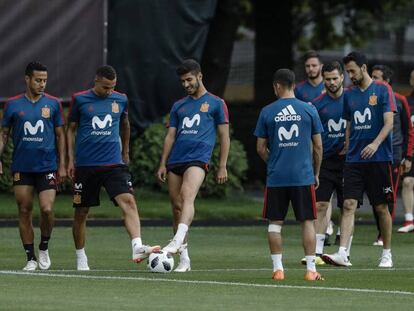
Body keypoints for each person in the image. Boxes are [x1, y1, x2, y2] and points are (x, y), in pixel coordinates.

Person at [67, 65, 159, 270]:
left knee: (129, 202)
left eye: (112, 87)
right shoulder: (80, 99)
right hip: (86, 165)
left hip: (114, 163)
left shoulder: (121, 99)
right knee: (81, 212)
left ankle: (136, 246)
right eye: (106, 87)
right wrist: (69, 159)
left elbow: (125, 124)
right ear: (96, 81)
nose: (109, 91)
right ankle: (81, 257)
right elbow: (70, 130)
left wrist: (125, 152)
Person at [322, 52, 395, 268]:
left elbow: (389, 122)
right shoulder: (349, 95)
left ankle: (387, 253)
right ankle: (343, 253)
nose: (350, 76)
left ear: (363, 68)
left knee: (381, 207)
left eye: (352, 71)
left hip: (379, 158)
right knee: (348, 204)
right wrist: (347, 145)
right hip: (354, 160)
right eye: (348, 72)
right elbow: (349, 123)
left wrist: (375, 144)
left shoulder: (383, 90)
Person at [157, 59, 230, 272]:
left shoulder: (217, 103)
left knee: (186, 197)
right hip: (176, 160)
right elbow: (170, 136)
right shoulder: (178, 105)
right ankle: (184, 260)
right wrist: (163, 163)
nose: (186, 84)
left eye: (189, 79)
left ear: (200, 76)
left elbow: (224, 137)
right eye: (182, 81)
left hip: (198, 158)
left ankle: (176, 241)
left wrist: (222, 165)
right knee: (176, 208)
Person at [254, 68, 324, 281]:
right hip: (303, 176)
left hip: (277, 177)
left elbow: (260, 147)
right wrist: (316, 172)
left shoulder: (267, 111)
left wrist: (273, 162)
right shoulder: (309, 109)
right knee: (307, 222)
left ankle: (278, 270)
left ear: (277, 86)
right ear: (294, 84)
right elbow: (319, 146)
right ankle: (311, 270)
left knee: (275, 224)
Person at [0, 61, 66, 271]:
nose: (42, 84)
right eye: (38, 80)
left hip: (47, 165)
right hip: (22, 166)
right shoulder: (12, 104)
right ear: (27, 79)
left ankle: (44, 247)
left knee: (47, 209)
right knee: (24, 210)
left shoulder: (54, 104)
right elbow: (3, 135)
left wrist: (63, 164)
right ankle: (30, 257)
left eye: (45, 80)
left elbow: (60, 135)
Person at [303, 61, 347, 265]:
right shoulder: (317, 105)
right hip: (327, 161)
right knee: (320, 204)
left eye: (335, 78)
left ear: (342, 78)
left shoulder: (352, 99)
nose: (331, 82)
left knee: (348, 205)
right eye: (327, 79)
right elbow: (312, 138)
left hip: (349, 161)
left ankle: (344, 251)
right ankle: (317, 251)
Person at [371, 65, 413, 240]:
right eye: (371, 76)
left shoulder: (399, 100)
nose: (373, 80)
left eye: (377, 77)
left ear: (386, 81)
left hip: (393, 156)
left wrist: (408, 155)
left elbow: (408, 130)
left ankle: (383, 235)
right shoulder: (369, 100)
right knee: (375, 197)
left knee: (389, 195)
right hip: (371, 155)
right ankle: (381, 230)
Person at [398, 69, 414, 233]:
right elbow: (405, 128)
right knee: (408, 182)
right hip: (411, 150)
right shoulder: (406, 102)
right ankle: (409, 219)